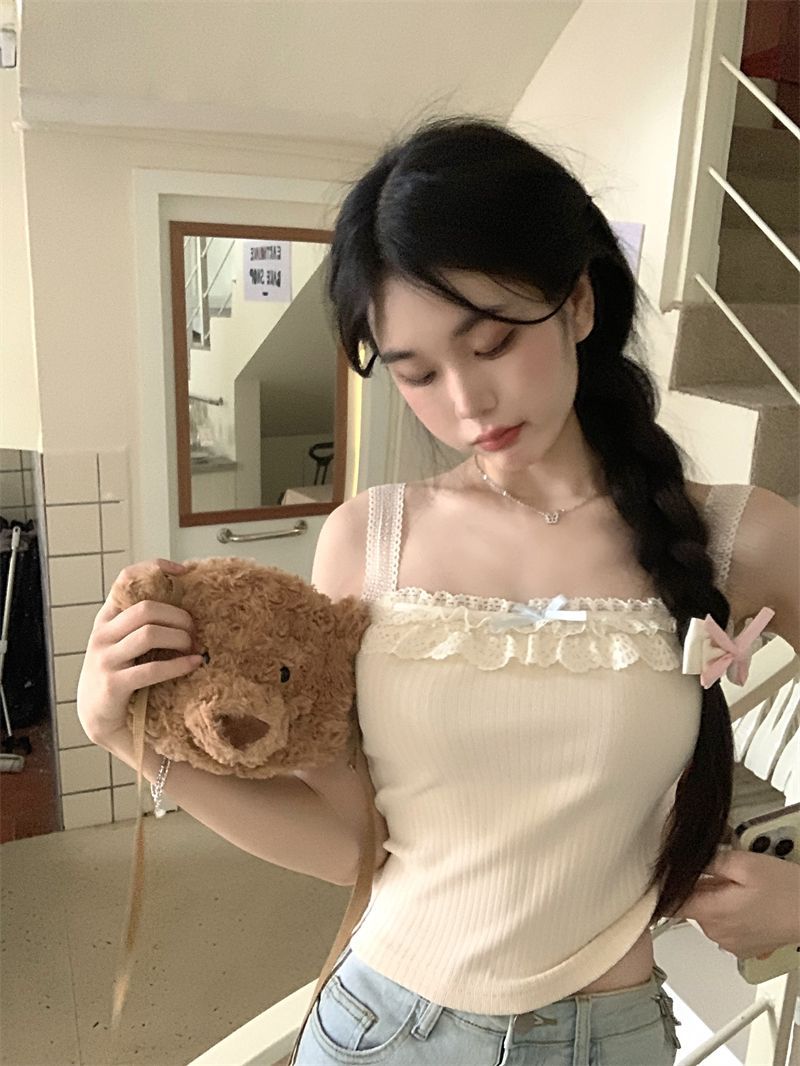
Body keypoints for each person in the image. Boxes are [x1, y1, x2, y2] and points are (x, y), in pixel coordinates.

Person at [78, 117, 799, 1066]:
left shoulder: (744, 536)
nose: (465, 405)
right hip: (381, 1029)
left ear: (580, 302)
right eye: (416, 373)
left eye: (492, 343)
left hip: (606, 1037)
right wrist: (126, 738)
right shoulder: (368, 542)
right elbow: (350, 843)